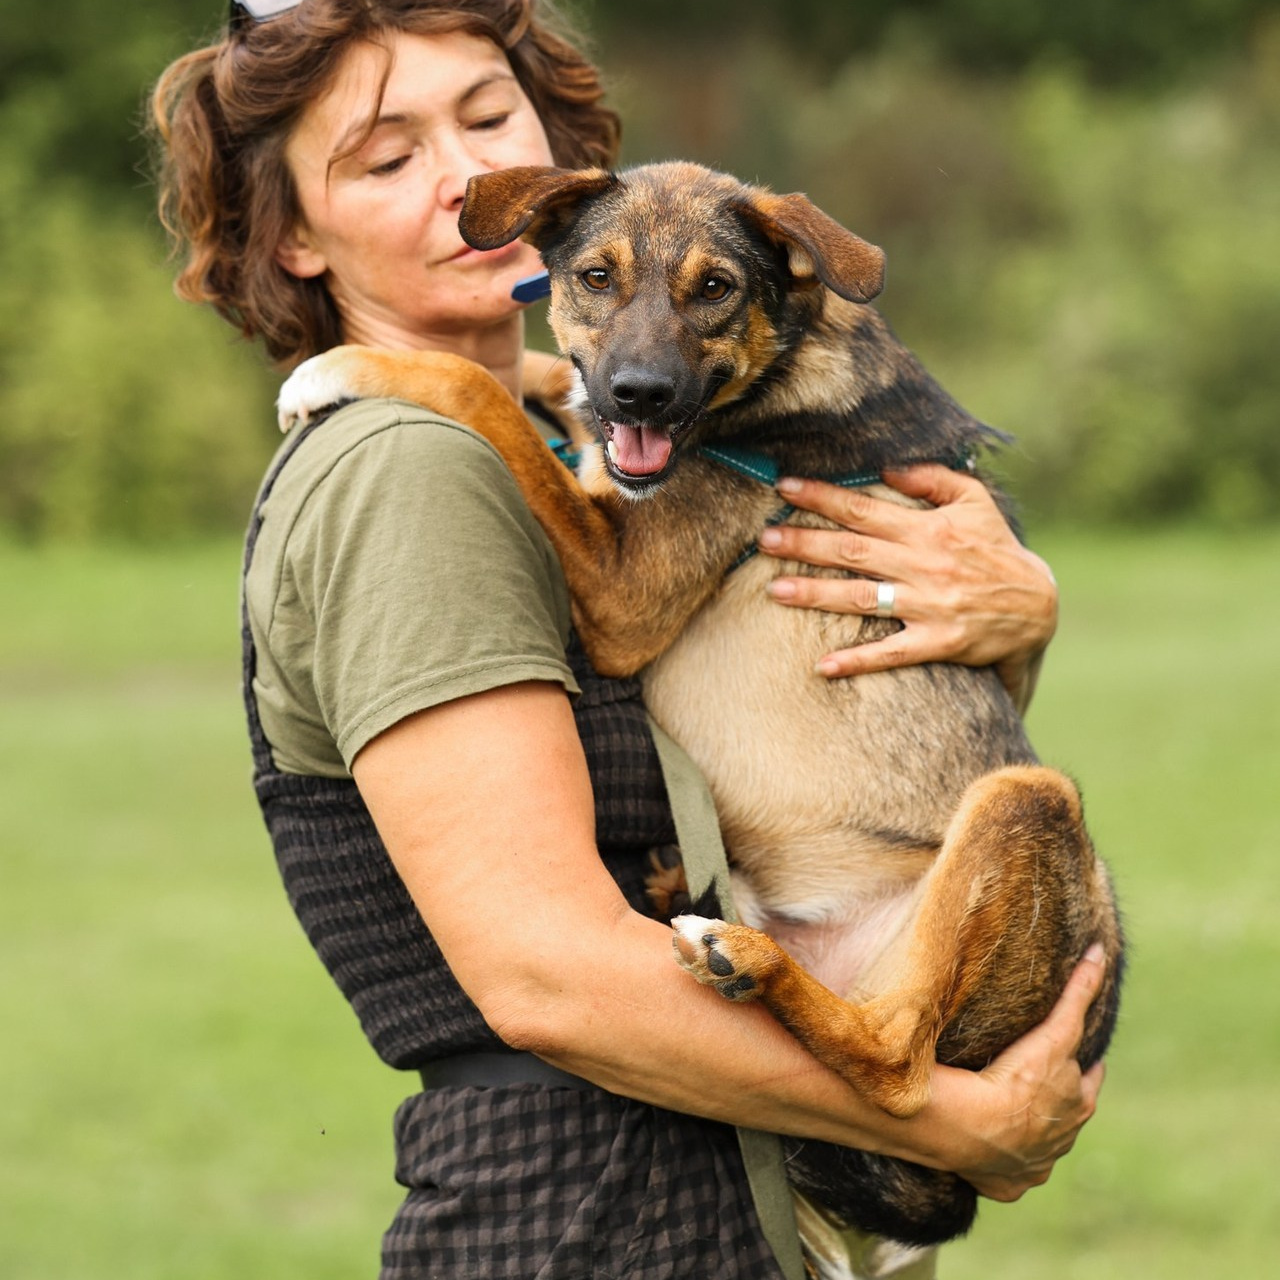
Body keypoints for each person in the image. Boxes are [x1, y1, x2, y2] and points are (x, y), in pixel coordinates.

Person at [151, 3, 1106, 1277]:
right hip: (585, 1214)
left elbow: (867, 722)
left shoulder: (589, 442)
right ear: (293, 238)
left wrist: (1015, 609)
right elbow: (546, 973)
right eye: (385, 158)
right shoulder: (405, 466)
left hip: (713, 1196)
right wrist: (957, 1117)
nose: (461, 180)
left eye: (486, 118)